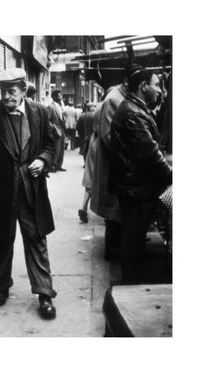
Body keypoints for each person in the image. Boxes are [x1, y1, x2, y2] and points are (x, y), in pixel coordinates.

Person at [0, 67, 57, 319]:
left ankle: (44, 293)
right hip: (1, 192)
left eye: (11, 91)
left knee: (36, 240)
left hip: (31, 191)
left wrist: (43, 159)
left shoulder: (40, 112)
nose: (6, 96)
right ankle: (0, 287)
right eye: (2, 91)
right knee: (1, 240)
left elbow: (51, 144)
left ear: (23, 90)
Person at [109, 68, 172, 283]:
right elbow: (150, 153)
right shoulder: (133, 113)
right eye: (156, 85)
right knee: (133, 238)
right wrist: (171, 175)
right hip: (135, 187)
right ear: (143, 86)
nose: (160, 91)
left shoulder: (135, 108)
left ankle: (133, 277)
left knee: (133, 236)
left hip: (134, 186)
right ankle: (132, 282)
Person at [90, 64, 141, 261]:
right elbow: (108, 136)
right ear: (128, 81)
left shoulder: (124, 97)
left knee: (118, 211)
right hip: (113, 165)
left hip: (119, 164)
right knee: (113, 212)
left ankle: (117, 250)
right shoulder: (114, 99)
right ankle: (112, 253)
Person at [77, 103, 96, 223]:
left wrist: (82, 135)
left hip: (87, 139)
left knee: (89, 176)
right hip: (96, 141)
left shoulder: (82, 116)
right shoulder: (96, 115)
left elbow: (78, 127)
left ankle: (83, 206)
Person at [46, 90, 67, 172]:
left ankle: (59, 165)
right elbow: (47, 120)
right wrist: (53, 127)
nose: (61, 97)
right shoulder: (50, 107)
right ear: (54, 97)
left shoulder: (60, 106)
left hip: (62, 129)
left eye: (61, 96)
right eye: (59, 96)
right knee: (56, 148)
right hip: (55, 130)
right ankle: (52, 166)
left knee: (61, 148)